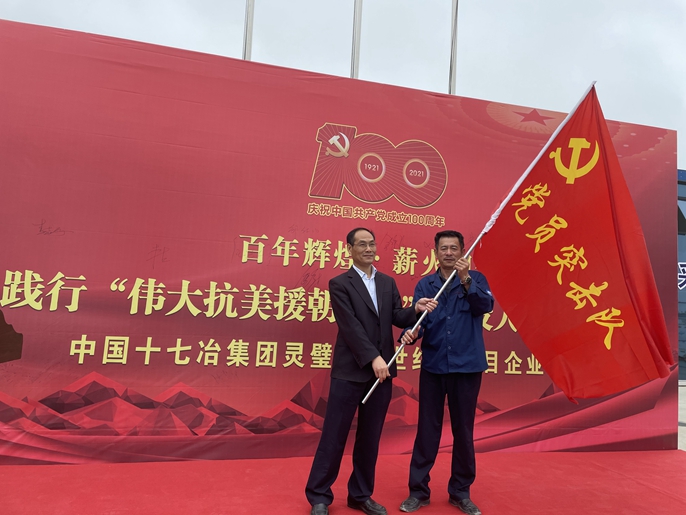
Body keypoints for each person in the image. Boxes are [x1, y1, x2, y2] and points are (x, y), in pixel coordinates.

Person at [306, 227, 437, 515]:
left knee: (370, 438)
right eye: (362, 244)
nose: (368, 248)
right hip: (350, 372)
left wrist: (415, 309)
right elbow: (350, 327)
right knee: (334, 436)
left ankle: (360, 495)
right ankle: (319, 496)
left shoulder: (387, 282)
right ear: (349, 249)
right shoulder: (340, 283)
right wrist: (373, 358)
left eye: (372, 244)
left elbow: (396, 316)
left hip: (381, 374)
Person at [398, 230, 493, 515]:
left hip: (467, 367)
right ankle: (418, 492)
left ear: (463, 252)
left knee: (464, 431)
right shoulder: (425, 284)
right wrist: (409, 334)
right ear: (436, 253)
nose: (449, 253)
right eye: (444, 248)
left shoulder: (476, 280)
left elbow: (485, 306)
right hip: (434, 366)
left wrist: (465, 279)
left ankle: (460, 492)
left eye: (454, 248)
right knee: (427, 430)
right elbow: (419, 320)